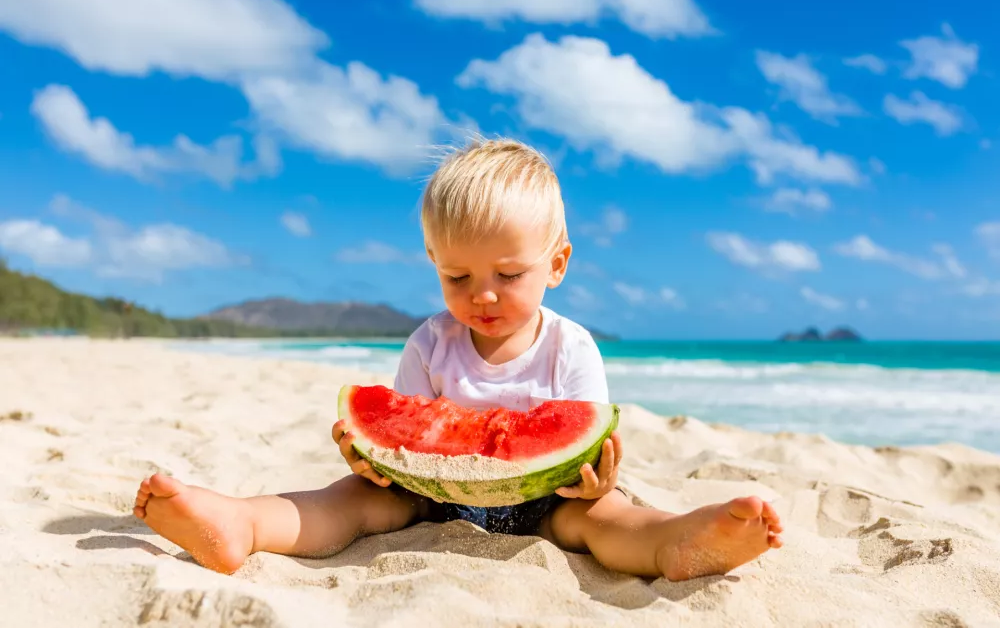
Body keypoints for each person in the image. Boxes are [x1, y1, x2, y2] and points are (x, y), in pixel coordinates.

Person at [133, 137, 783, 580]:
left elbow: (584, 450)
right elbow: (404, 433)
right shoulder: (429, 343)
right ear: (433, 265)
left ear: (556, 264)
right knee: (351, 500)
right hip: (429, 497)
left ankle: (684, 541)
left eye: (507, 272)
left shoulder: (571, 348)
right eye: (457, 277)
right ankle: (240, 520)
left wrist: (596, 480)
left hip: (546, 498)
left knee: (606, 520)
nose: (483, 295)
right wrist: (373, 462)